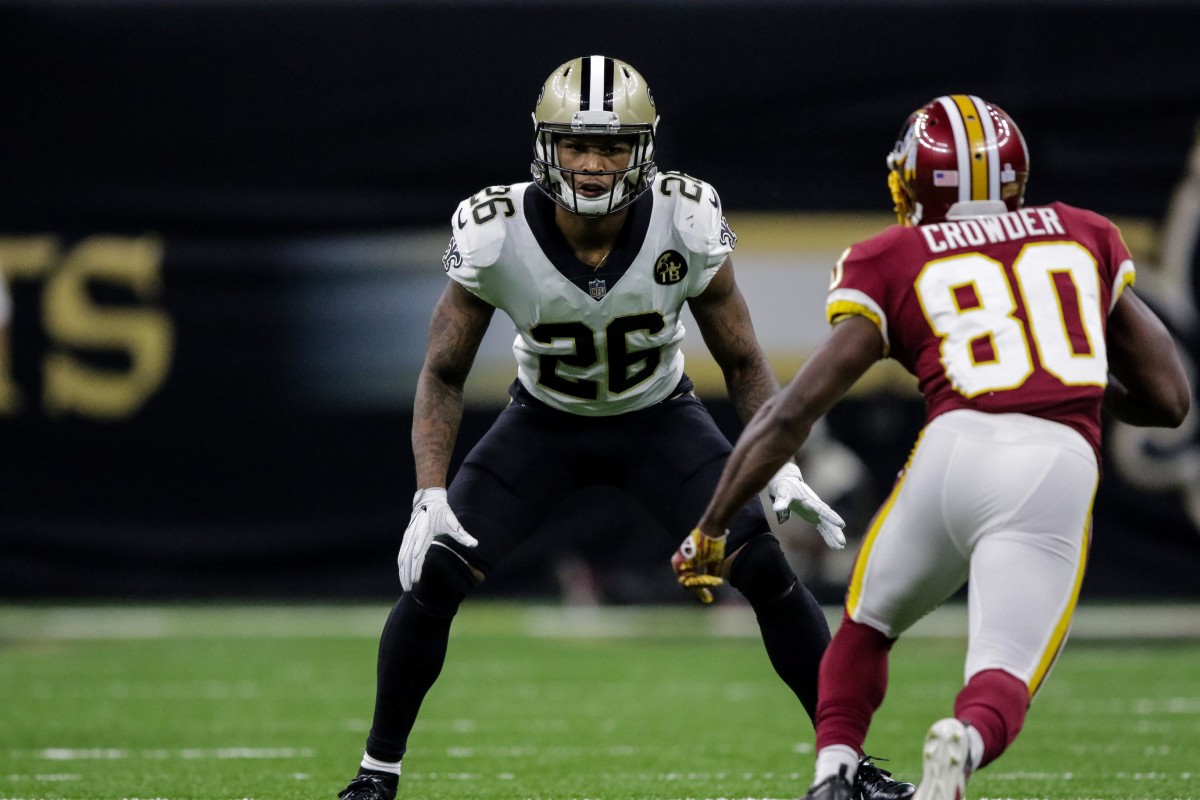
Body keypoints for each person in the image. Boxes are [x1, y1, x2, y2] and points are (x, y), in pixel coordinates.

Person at [336, 55, 911, 800]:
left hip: (659, 421)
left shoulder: (687, 216)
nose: (594, 163)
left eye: (613, 146)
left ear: (645, 149)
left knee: (765, 567)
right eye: (576, 144)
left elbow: (741, 359)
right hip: (541, 423)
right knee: (436, 570)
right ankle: (376, 777)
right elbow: (443, 371)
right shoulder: (494, 228)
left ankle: (849, 768)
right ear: (545, 144)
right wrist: (428, 493)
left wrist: (781, 465)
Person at [681, 94, 1191, 800]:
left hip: (951, 449)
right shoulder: (1083, 233)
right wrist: (1063, 366)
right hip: (1052, 460)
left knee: (866, 621)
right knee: (1002, 670)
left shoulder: (895, 254)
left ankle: (833, 773)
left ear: (913, 181)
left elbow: (793, 410)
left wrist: (712, 523)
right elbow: (1168, 399)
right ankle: (963, 744)